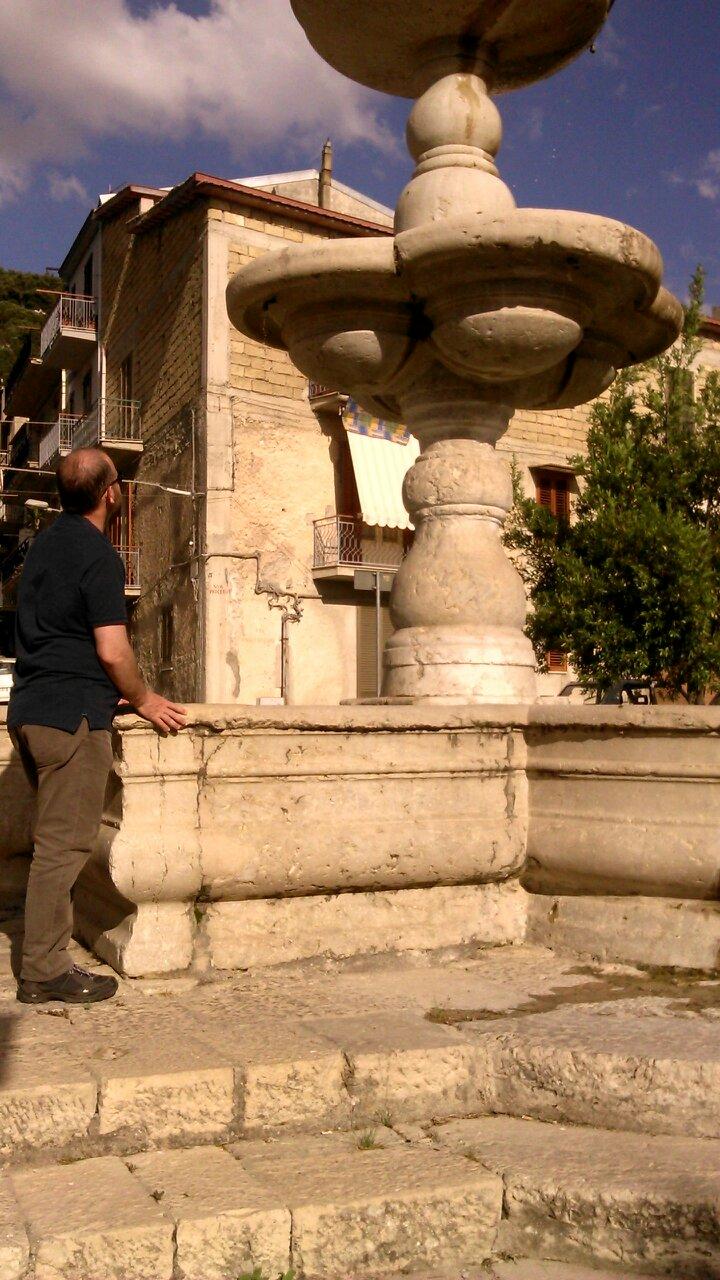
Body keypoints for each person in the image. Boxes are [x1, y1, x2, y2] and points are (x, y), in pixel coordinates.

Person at [7, 447, 186, 1004]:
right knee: (62, 848)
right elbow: (112, 648)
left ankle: (48, 955)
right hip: (73, 716)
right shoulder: (98, 556)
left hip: (31, 709)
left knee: (51, 843)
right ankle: (43, 972)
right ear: (111, 493)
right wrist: (144, 696)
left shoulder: (40, 548)